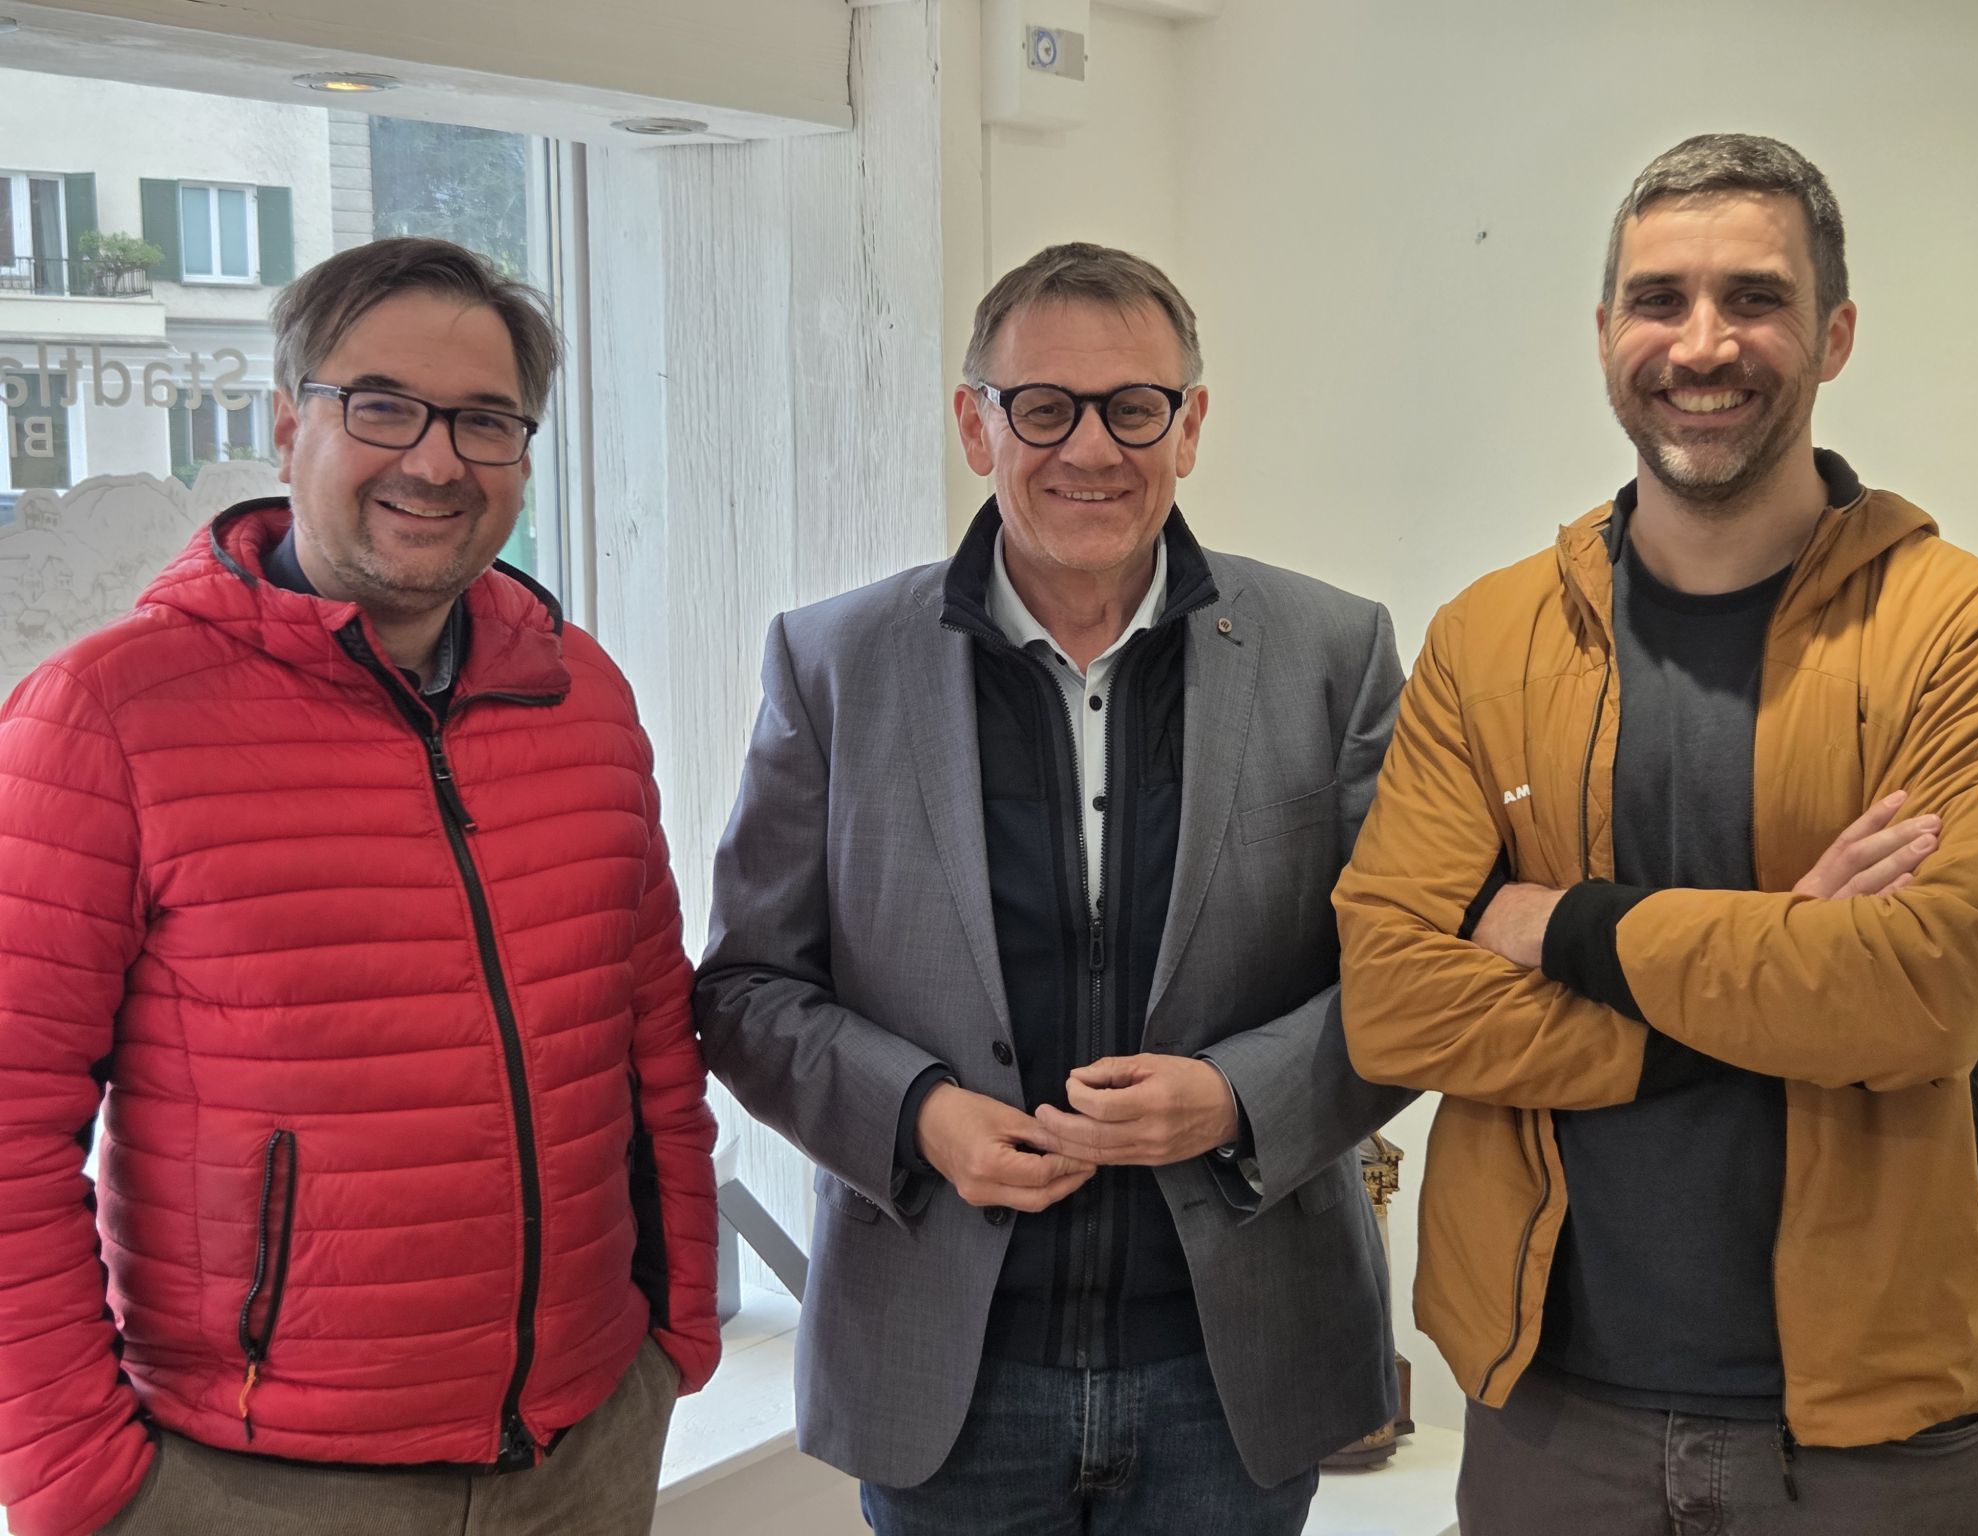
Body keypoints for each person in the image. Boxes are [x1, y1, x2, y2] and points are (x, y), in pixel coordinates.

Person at [1335, 133, 1978, 1534]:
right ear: (1606, 332)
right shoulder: (1489, 637)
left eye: (1756, 298)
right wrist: (1783, 971)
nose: (1703, 343)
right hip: (1547, 1406)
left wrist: (1561, 925)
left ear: (1835, 335)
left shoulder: (1976, 635)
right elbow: (1395, 1000)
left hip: (1871, 1432)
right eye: (1659, 299)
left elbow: (1926, 995)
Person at [0, 236, 720, 1536]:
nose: (436, 462)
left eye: (485, 421)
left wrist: (675, 1332)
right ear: (289, 426)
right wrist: (78, 1479)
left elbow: (651, 1039)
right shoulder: (105, 715)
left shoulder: (580, 694)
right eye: (381, 405)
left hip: (586, 1440)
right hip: (252, 1479)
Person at [697, 241, 1412, 1534]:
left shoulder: (1333, 653)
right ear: (977, 425)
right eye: (1043, 407)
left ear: (1190, 425)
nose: (1092, 448)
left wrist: (1237, 1099)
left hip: (1234, 1371)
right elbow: (747, 990)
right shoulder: (833, 664)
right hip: (947, 1374)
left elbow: (1417, 977)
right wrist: (918, 1116)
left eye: (1133, 406)